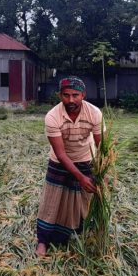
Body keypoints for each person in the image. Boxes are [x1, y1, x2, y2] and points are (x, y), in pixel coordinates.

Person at [35, 76, 103, 257]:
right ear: (60, 95)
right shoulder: (53, 116)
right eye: (66, 95)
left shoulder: (94, 113)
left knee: (85, 202)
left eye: (75, 95)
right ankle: (43, 240)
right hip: (60, 161)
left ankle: (83, 234)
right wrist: (80, 178)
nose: (71, 100)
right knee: (52, 202)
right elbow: (61, 154)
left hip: (86, 158)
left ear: (83, 95)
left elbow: (101, 146)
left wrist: (103, 171)